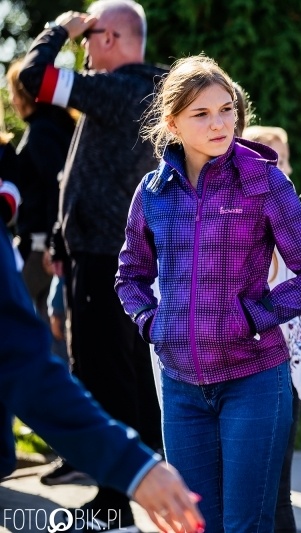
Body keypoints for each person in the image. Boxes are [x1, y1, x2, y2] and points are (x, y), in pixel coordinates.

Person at [115, 55, 301, 532]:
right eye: (202, 113)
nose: (219, 123)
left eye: (226, 109)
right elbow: (129, 276)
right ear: (172, 123)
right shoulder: (153, 191)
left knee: (245, 525)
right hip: (180, 386)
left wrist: (253, 316)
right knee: (195, 525)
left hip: (254, 379)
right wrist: (154, 323)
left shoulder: (264, 181)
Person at [18, 2, 165, 522]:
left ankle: (112, 502)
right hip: (121, 254)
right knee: (133, 375)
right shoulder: (153, 88)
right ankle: (144, 487)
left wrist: (59, 28)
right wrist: (61, 240)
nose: (83, 47)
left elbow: (34, 77)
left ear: (108, 38)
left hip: (105, 257)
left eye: (88, 38)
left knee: (102, 374)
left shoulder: (119, 88)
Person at [0, 227, 204, 533]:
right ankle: (113, 501)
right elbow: (22, 365)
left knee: (113, 377)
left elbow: (20, 363)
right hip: (86, 256)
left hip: (100, 255)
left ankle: (114, 505)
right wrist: (133, 466)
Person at [243, 124, 301, 533]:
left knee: (277, 491)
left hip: (283, 378)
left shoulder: (297, 244)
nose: (271, 167)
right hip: (237, 372)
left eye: (279, 158)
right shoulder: (236, 235)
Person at [6, 60, 75, 320]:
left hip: (40, 248)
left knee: (13, 318)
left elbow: (55, 186)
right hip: (46, 244)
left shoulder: (41, 132)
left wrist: (51, 243)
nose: (12, 99)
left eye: (13, 91)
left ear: (25, 94)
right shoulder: (58, 125)